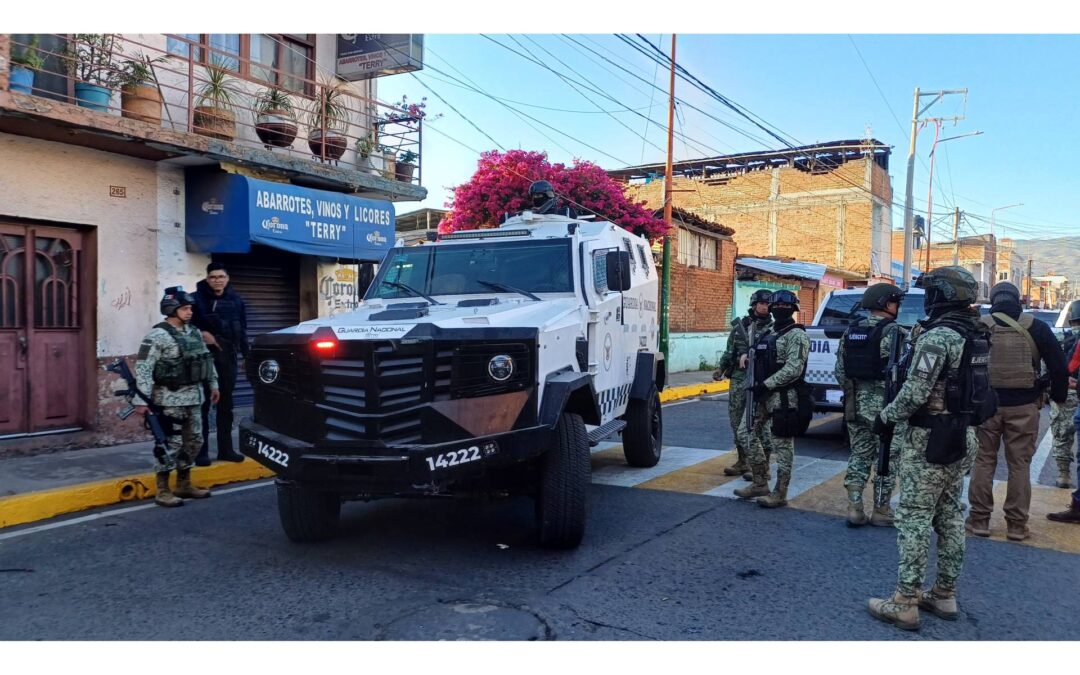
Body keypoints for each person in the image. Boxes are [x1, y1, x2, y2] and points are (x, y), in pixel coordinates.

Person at [867, 266, 989, 631]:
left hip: (930, 439)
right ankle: (944, 594)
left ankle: (905, 601)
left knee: (914, 518)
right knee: (950, 514)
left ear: (942, 296)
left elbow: (915, 392)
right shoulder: (976, 333)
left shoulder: (938, 337)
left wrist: (886, 417)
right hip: (963, 435)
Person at [967, 282, 1067, 542]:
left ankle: (979, 520)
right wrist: (1058, 397)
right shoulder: (1037, 327)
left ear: (993, 301)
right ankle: (1016, 525)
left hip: (986, 405)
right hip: (1024, 405)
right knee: (1019, 465)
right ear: (1017, 300)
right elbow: (1058, 366)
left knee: (983, 461)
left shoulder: (980, 325)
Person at [135, 287, 219, 507]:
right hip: (169, 399)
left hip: (194, 397)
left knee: (195, 441)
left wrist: (213, 384)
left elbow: (206, 360)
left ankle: (184, 483)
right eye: (184, 308)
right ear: (171, 309)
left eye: (190, 308)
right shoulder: (156, 336)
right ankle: (163, 490)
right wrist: (141, 400)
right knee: (171, 444)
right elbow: (143, 368)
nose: (189, 312)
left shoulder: (194, 332)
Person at [835, 283, 907, 527]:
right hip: (886, 409)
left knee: (859, 454)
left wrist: (854, 394)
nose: (897, 307)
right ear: (886, 304)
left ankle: (855, 507)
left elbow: (840, 371)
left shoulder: (851, 331)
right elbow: (904, 374)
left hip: (855, 405)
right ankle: (881, 510)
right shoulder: (896, 333)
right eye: (895, 303)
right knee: (887, 458)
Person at [733, 290, 810, 508]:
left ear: (793, 309)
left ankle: (780, 492)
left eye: (785, 307)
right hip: (761, 395)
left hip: (784, 396)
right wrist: (747, 357)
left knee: (782, 445)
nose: (780, 310)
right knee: (745, 433)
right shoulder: (768, 332)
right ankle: (760, 481)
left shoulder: (797, 335)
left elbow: (794, 368)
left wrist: (766, 384)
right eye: (777, 306)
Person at [191, 262, 249, 465]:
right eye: (213, 277)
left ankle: (226, 450)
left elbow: (242, 330)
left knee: (226, 406)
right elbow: (181, 325)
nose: (217, 280)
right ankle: (201, 452)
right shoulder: (195, 299)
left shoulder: (236, 300)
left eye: (221, 277)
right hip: (203, 359)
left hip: (228, 358)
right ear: (207, 279)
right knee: (202, 405)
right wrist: (201, 333)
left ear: (227, 278)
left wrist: (246, 357)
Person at [713, 289, 773, 479]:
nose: (765, 307)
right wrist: (721, 369)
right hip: (739, 379)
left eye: (768, 304)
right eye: (761, 303)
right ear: (754, 305)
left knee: (761, 424)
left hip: (761, 381)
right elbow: (729, 351)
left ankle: (763, 465)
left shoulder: (773, 329)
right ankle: (742, 461)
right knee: (736, 419)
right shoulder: (741, 327)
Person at [1048, 339, 1080, 524]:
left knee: (1061, 433)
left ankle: (1063, 474)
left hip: (1069, 387)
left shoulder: (1070, 338)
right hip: (1072, 387)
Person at [1050, 302, 1080, 488]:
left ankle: (1064, 474)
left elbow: (1048, 362)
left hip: (1066, 391)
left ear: (1071, 320)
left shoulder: (1061, 336)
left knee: (1062, 433)